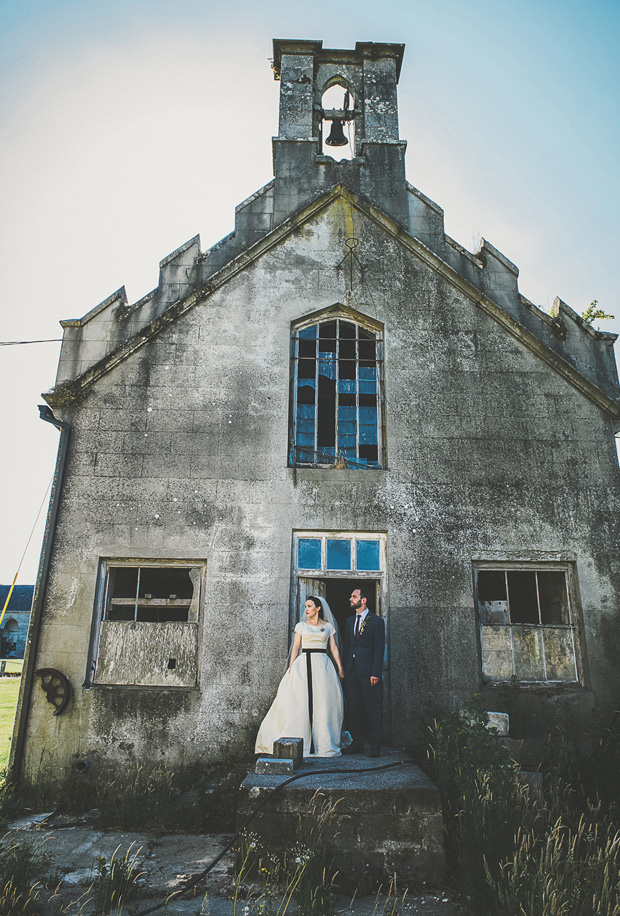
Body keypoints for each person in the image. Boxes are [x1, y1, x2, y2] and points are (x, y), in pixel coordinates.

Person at [255, 595, 346, 758]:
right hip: (303, 664)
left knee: (323, 701)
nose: (306, 609)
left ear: (318, 608)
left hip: (322, 665)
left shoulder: (328, 627)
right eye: (305, 606)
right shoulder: (301, 626)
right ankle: (300, 740)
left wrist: (340, 668)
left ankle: (322, 741)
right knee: (299, 701)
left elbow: (333, 649)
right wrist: (291, 669)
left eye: (309, 606)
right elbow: (296, 647)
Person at [343, 586, 385, 757]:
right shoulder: (349, 622)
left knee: (372, 708)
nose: (350, 599)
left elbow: (379, 648)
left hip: (368, 672)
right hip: (351, 672)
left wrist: (375, 672)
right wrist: (344, 670)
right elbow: (347, 647)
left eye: (353, 596)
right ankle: (358, 743)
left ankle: (375, 745)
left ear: (363, 600)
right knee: (354, 708)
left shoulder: (376, 621)